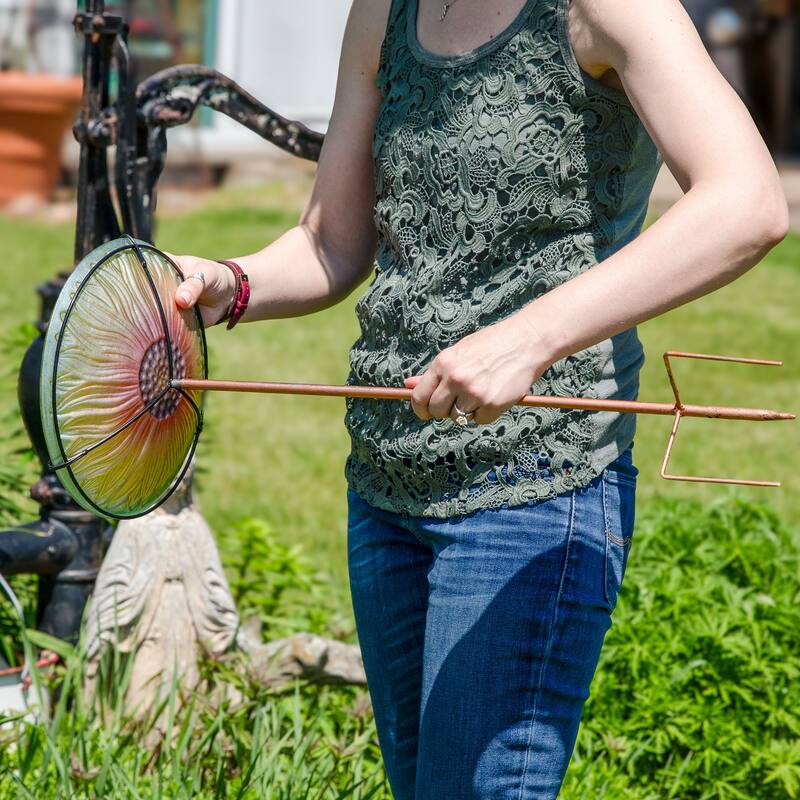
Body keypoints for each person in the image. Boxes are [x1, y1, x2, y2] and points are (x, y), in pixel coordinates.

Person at [172, 0, 788, 796]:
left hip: (533, 492)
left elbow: (747, 202)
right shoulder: (385, 13)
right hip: (385, 492)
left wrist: (529, 338)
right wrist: (235, 281)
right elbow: (331, 240)